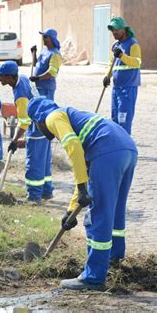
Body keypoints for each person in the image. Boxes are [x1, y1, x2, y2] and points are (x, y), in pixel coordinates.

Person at [27, 97, 137, 290]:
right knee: (115, 208)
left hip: (107, 152)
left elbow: (74, 148)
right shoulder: (73, 117)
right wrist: (71, 210)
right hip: (127, 149)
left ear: (38, 120)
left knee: (99, 214)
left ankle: (93, 276)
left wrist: (81, 189)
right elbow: (83, 171)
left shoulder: (53, 118)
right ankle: (113, 259)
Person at [0, 61, 53, 204]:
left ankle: (34, 197)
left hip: (37, 124)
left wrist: (14, 140)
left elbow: (24, 121)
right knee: (43, 159)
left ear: (10, 77)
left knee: (34, 162)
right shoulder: (23, 78)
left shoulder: (20, 93)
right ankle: (46, 191)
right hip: (46, 120)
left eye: (1, 77)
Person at [103, 17, 141, 135]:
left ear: (124, 30)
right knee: (115, 119)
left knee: (124, 119)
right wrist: (107, 76)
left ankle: (125, 147)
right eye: (112, 30)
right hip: (116, 87)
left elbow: (137, 62)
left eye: (116, 30)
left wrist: (122, 56)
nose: (114, 32)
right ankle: (117, 146)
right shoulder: (115, 45)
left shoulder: (133, 44)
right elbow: (111, 63)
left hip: (128, 88)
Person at [29, 29, 62, 100]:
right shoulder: (44, 50)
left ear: (51, 38)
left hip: (46, 89)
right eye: (43, 37)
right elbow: (36, 64)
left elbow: (52, 73)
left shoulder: (55, 54)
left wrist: (37, 78)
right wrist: (33, 54)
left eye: (45, 37)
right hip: (38, 87)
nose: (43, 39)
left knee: (46, 109)